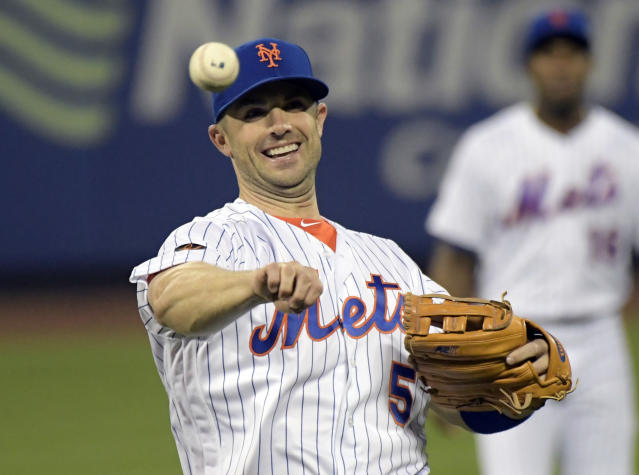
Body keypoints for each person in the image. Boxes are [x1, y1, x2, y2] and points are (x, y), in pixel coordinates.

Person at [131, 37, 556, 475]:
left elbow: (453, 404)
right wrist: (252, 284)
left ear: (319, 119)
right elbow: (171, 299)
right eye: (254, 113)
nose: (278, 124)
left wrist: (517, 378)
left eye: (294, 105)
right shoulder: (212, 239)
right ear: (222, 140)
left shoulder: (392, 262)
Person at [426, 8, 638, 475]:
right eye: (549, 53)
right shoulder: (487, 146)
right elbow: (455, 256)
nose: (560, 64)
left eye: (572, 53)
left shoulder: (628, 150)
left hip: (601, 338)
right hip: (514, 338)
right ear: (529, 64)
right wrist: (449, 361)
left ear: (590, 63)